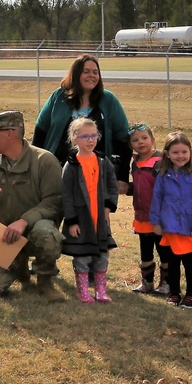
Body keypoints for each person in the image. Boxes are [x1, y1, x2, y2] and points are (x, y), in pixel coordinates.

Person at [0, 110, 65, 301]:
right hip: (2, 235)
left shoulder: (44, 161)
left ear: (10, 132)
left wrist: (24, 221)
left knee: (46, 233)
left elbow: (55, 203)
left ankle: (45, 281)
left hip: (33, 232)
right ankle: (19, 268)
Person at [33, 55, 132, 191]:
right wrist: (35, 168)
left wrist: (123, 177)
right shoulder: (59, 96)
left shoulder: (108, 100)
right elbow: (40, 133)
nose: (91, 75)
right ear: (76, 73)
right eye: (86, 71)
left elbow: (123, 139)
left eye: (95, 72)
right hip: (56, 174)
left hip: (96, 177)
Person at [61, 117, 119, 304]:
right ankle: (83, 291)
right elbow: (66, 194)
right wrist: (71, 221)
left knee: (102, 255)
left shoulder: (103, 162)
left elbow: (112, 185)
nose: (90, 140)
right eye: (85, 136)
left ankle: (101, 290)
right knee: (82, 256)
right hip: (81, 219)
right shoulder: (71, 165)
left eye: (94, 135)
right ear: (74, 138)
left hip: (100, 219)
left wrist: (109, 206)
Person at [149, 130, 192, 308]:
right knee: (172, 262)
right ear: (167, 154)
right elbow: (157, 199)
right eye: (176, 152)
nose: (180, 156)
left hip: (189, 228)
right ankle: (174, 293)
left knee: (188, 262)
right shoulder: (163, 175)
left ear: (190, 152)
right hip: (170, 227)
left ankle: (191, 295)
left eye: (184, 152)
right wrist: (157, 222)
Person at [128, 123, 170, 295]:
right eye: (135, 140)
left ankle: (166, 283)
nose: (141, 142)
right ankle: (147, 283)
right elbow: (139, 187)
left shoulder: (160, 162)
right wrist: (127, 189)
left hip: (159, 218)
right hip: (142, 217)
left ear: (153, 140)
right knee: (146, 252)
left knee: (164, 252)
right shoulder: (135, 162)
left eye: (145, 138)